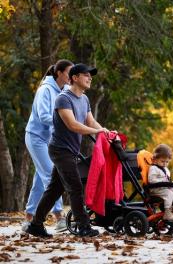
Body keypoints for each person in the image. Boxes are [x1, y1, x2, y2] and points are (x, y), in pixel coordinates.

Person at [25, 63, 109, 238]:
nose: (90, 78)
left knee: (54, 189)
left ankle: (35, 225)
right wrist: (96, 131)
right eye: (86, 75)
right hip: (59, 150)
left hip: (70, 150)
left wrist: (105, 131)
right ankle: (83, 226)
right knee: (75, 187)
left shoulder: (84, 99)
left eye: (90, 75)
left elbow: (91, 122)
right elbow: (72, 125)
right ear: (75, 78)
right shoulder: (63, 98)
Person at [23, 59, 74, 232]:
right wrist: (63, 122)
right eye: (69, 73)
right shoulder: (44, 89)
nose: (71, 77)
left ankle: (29, 217)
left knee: (40, 179)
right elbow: (42, 115)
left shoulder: (65, 90)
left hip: (52, 138)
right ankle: (59, 216)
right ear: (59, 73)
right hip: (36, 137)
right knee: (51, 174)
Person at [148, 144, 173, 221]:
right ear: (155, 159)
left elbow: (168, 180)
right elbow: (151, 180)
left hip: (165, 188)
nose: (165, 164)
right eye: (162, 161)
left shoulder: (166, 169)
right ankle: (167, 213)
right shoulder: (153, 168)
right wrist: (164, 182)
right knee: (169, 193)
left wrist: (171, 183)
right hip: (156, 190)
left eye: (167, 162)